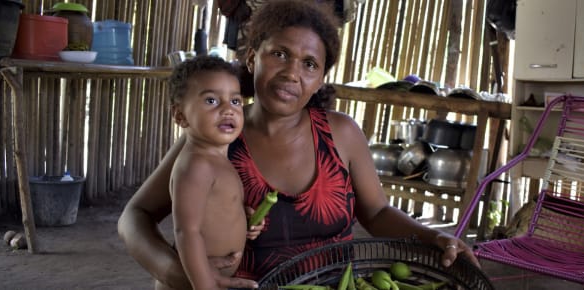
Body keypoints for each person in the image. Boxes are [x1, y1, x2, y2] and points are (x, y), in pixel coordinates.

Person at [118, 0, 479, 289]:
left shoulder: (341, 134)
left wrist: (433, 238)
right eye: (279, 54)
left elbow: (377, 212)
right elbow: (135, 218)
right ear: (252, 57)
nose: (292, 72)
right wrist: (177, 274)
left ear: (321, 77)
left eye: (309, 64)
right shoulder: (214, 140)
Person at [166, 55, 247, 290]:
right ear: (180, 115)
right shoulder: (197, 165)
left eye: (235, 101)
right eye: (211, 101)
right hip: (194, 283)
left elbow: (216, 209)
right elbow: (186, 232)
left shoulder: (217, 159)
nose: (228, 110)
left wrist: (242, 218)